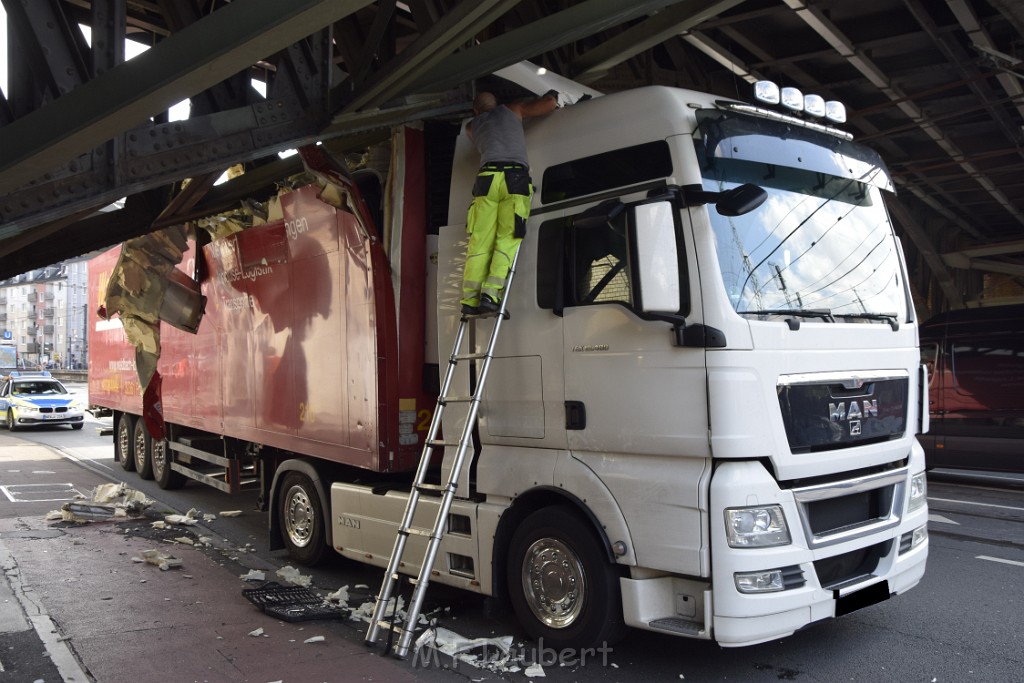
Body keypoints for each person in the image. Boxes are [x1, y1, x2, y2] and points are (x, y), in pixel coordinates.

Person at [460, 89, 571, 315]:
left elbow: (484, 132)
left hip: (486, 180)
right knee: (507, 238)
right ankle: (490, 296)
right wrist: (550, 93)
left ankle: (470, 301)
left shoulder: (471, 126)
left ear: (475, 110)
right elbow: (549, 104)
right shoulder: (513, 109)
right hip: (514, 178)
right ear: (498, 102)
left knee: (480, 241)